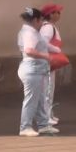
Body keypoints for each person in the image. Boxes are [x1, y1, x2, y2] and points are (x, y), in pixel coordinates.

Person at [17, 7, 58, 137]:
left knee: (40, 98)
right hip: (32, 69)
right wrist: (46, 56)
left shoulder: (31, 31)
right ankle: (25, 126)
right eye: (41, 20)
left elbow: (42, 44)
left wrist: (54, 50)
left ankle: (43, 125)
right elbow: (29, 50)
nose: (42, 23)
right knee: (31, 99)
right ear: (35, 20)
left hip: (36, 69)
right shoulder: (30, 33)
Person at [39, 4, 67, 128]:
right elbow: (43, 42)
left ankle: (48, 113)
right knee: (47, 89)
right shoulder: (48, 28)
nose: (59, 14)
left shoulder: (50, 27)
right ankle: (44, 117)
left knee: (49, 88)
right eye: (57, 12)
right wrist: (55, 49)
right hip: (46, 61)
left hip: (47, 61)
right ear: (50, 14)